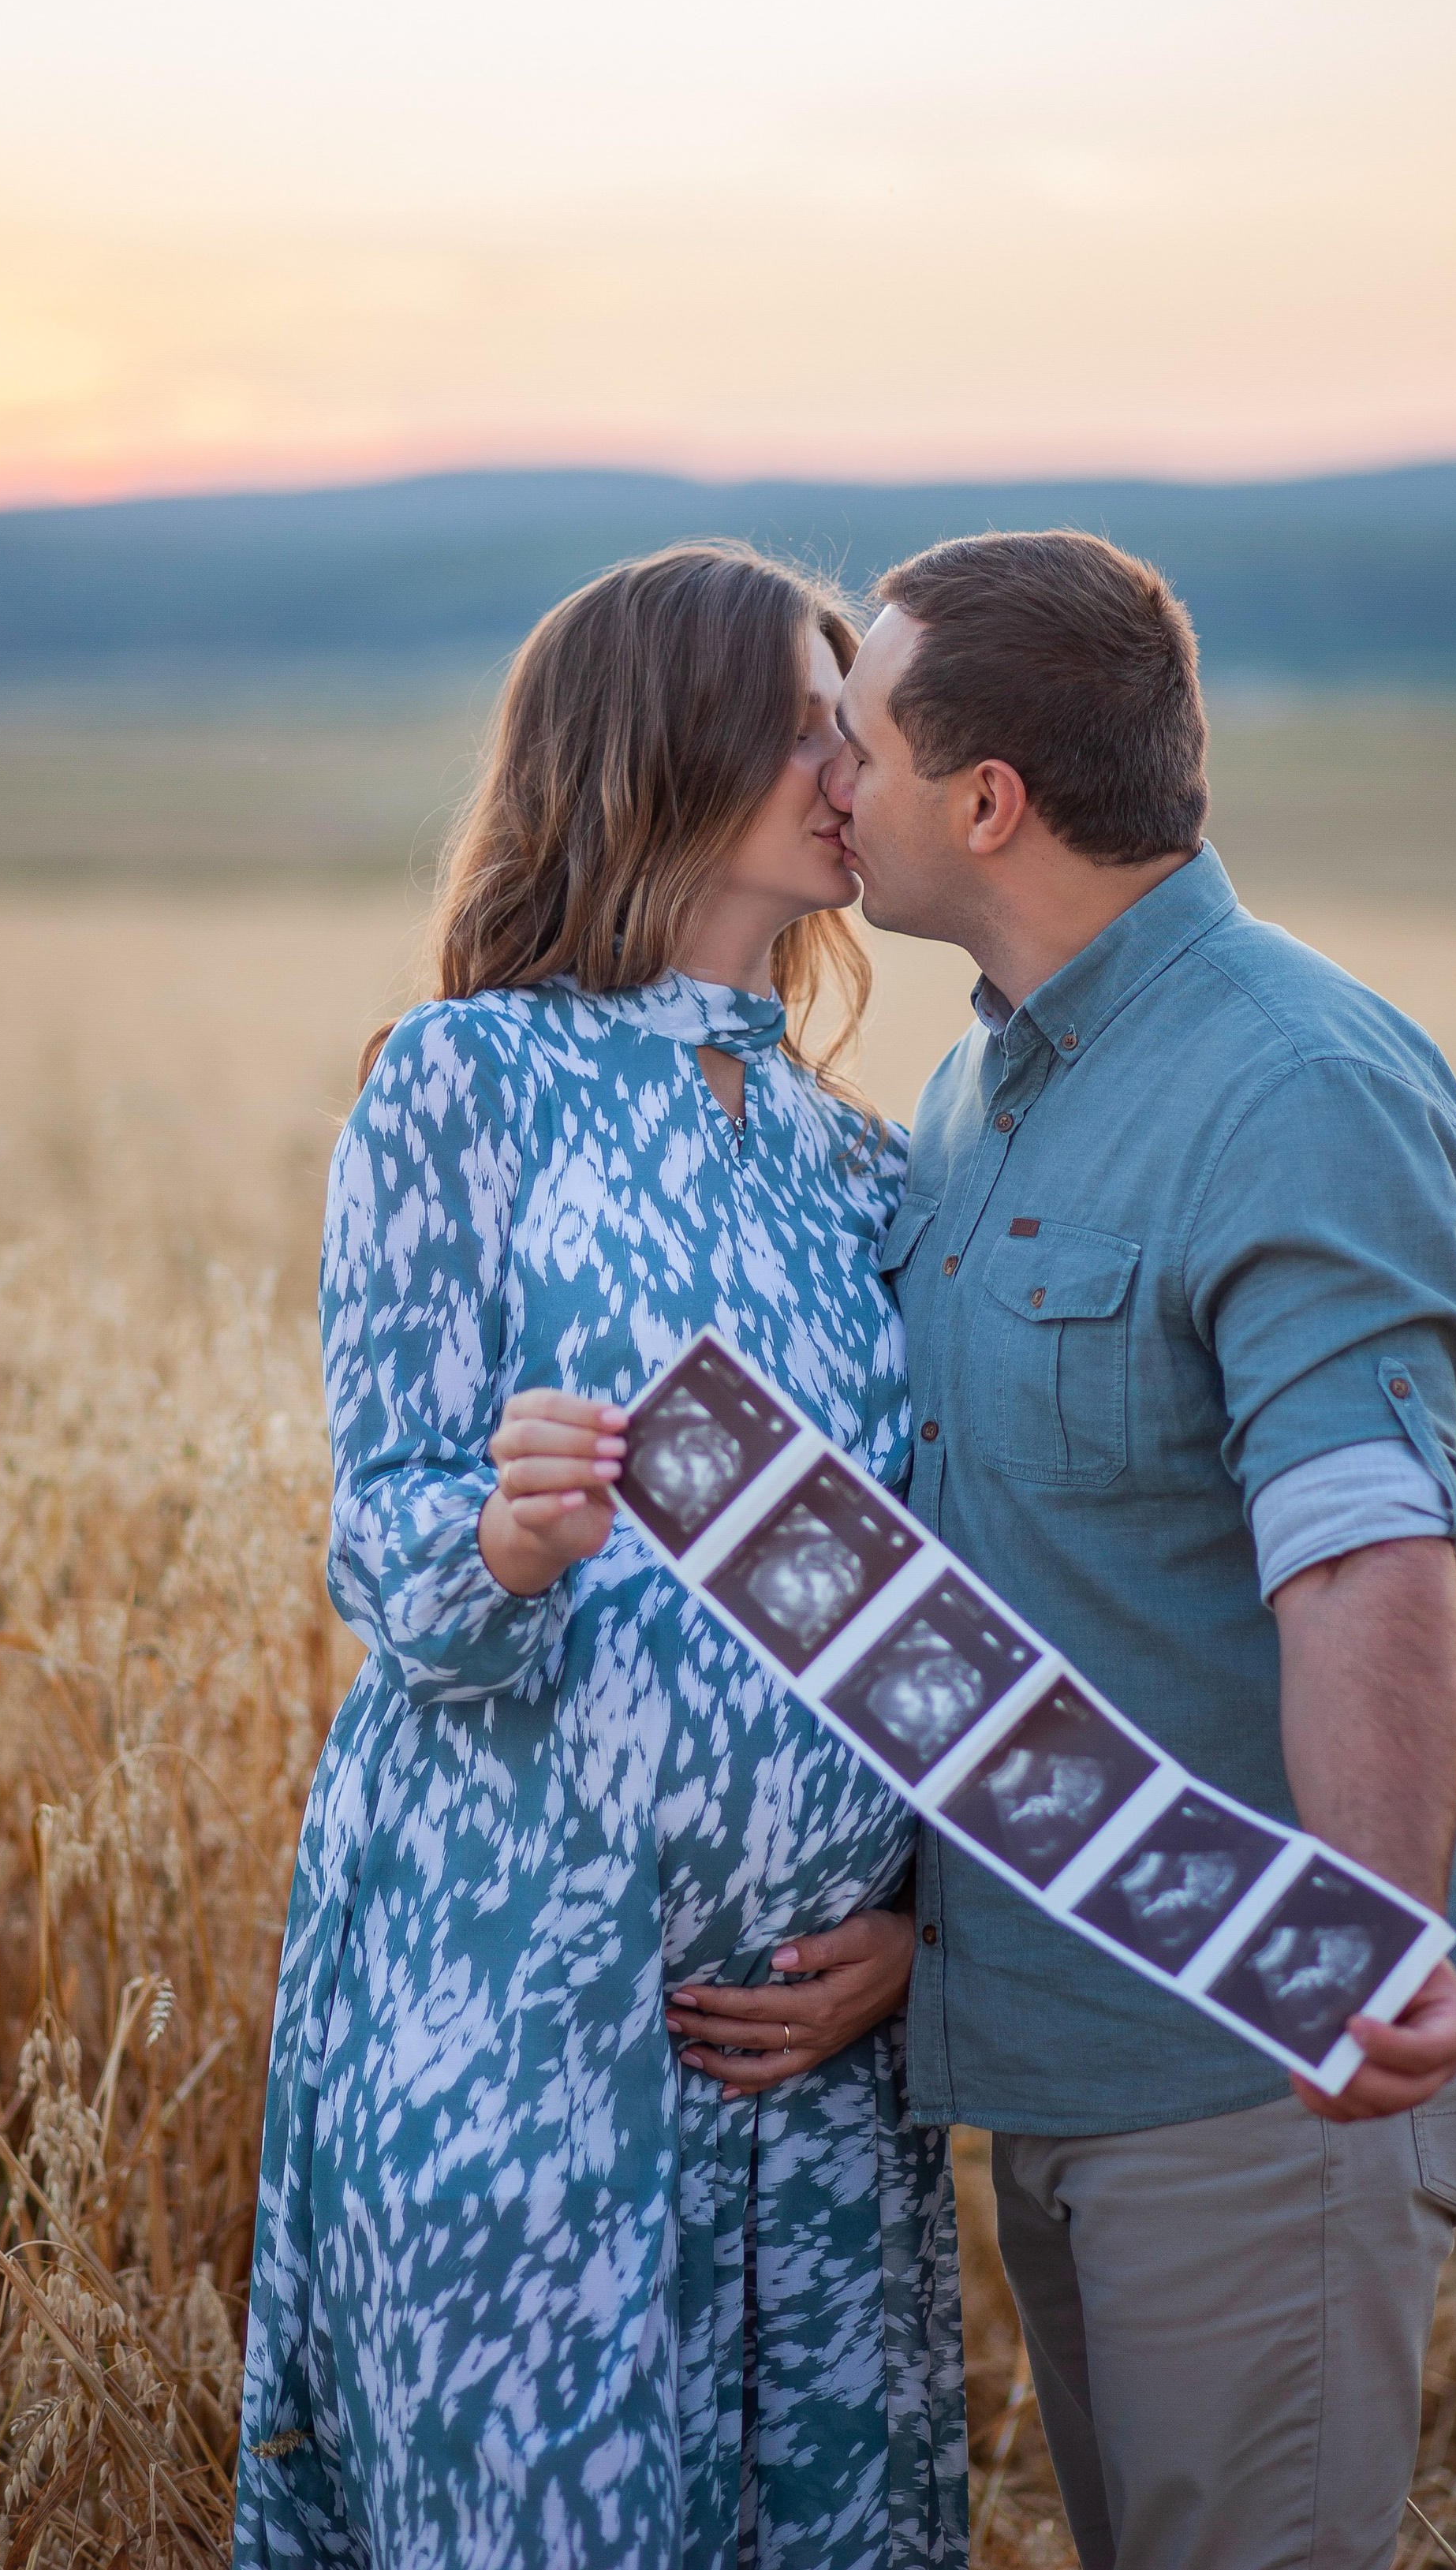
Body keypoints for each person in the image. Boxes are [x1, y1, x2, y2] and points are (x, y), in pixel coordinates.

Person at [823, 529, 1456, 2570]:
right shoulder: (982, 1087)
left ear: (986, 802)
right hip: (1058, 2028)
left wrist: (1349, 1956)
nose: (825, 782)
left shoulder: (1290, 1082)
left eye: (856, 742)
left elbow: (1363, 1557)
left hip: (1264, 2054)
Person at [235, 543, 966, 2570]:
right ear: (669, 745)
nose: (859, 758)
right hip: (518, 2001)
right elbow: (378, 1529)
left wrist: (916, 1942)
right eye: (817, 716)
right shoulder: (461, 1083)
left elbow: (931, 1593)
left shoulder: (857, 1157)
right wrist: (502, 1529)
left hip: (812, 2052)